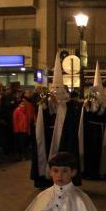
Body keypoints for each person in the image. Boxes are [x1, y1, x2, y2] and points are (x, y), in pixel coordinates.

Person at [31, 56, 80, 188]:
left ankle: (62, 179)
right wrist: (46, 105)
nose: (56, 92)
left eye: (59, 89)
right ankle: (44, 179)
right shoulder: (46, 102)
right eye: (55, 88)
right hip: (48, 135)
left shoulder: (68, 105)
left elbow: (70, 121)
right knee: (47, 154)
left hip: (63, 137)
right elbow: (45, 116)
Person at [78, 63, 106, 179]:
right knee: (90, 152)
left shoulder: (105, 106)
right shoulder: (87, 104)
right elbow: (84, 117)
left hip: (100, 133)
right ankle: (88, 171)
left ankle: (101, 171)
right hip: (89, 133)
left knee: (99, 153)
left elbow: (103, 115)